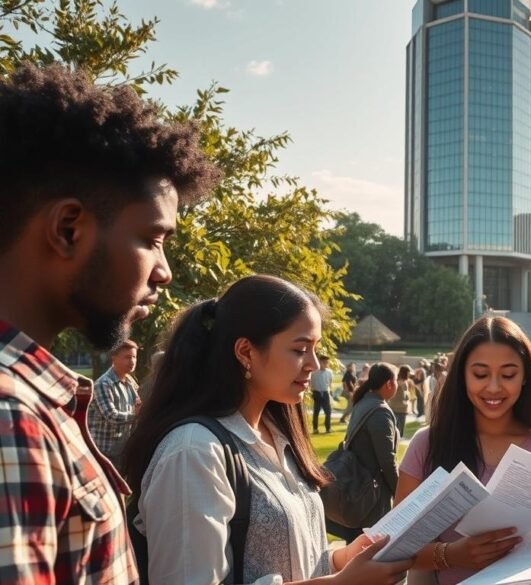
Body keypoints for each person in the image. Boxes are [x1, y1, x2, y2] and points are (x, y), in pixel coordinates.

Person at [0, 63, 221, 583]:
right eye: (153, 239)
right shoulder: (11, 419)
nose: (164, 272)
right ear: (69, 229)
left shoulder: (36, 404)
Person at [124, 275, 411, 583]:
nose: (314, 363)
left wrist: (343, 558)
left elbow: (296, 564)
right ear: (246, 352)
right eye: (300, 349)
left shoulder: (278, 438)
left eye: (316, 348)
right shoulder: (193, 451)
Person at [396, 316, 531, 584]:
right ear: (462, 376)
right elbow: (392, 550)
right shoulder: (427, 444)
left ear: (526, 375)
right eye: (480, 374)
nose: (493, 387)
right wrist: (452, 555)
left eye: (508, 374)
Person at [330, 363, 401, 544]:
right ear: (388, 384)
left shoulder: (364, 402)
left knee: (355, 548)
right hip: (370, 495)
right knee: (370, 551)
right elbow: (387, 461)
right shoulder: (380, 412)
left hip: (357, 488)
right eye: (396, 380)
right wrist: (400, 493)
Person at [87, 339, 142, 473]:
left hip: (122, 450)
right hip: (105, 452)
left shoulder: (130, 382)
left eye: (134, 357)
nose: (132, 361)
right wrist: (136, 415)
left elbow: (138, 406)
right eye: (127, 357)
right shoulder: (103, 384)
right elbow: (111, 416)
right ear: (114, 358)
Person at [310, 355, 334, 434]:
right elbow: (310, 383)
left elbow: (330, 383)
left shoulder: (329, 372)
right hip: (316, 392)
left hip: (325, 393)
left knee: (328, 412)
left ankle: (328, 428)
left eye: (327, 363)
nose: (326, 364)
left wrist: (330, 393)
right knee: (316, 412)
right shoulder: (314, 372)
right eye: (324, 362)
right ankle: (315, 429)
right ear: (320, 362)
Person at [389, 365, 413, 438]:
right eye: (408, 373)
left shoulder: (396, 381)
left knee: (394, 429)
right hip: (400, 408)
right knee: (399, 431)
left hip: (394, 407)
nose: (409, 374)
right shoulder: (402, 383)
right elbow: (405, 396)